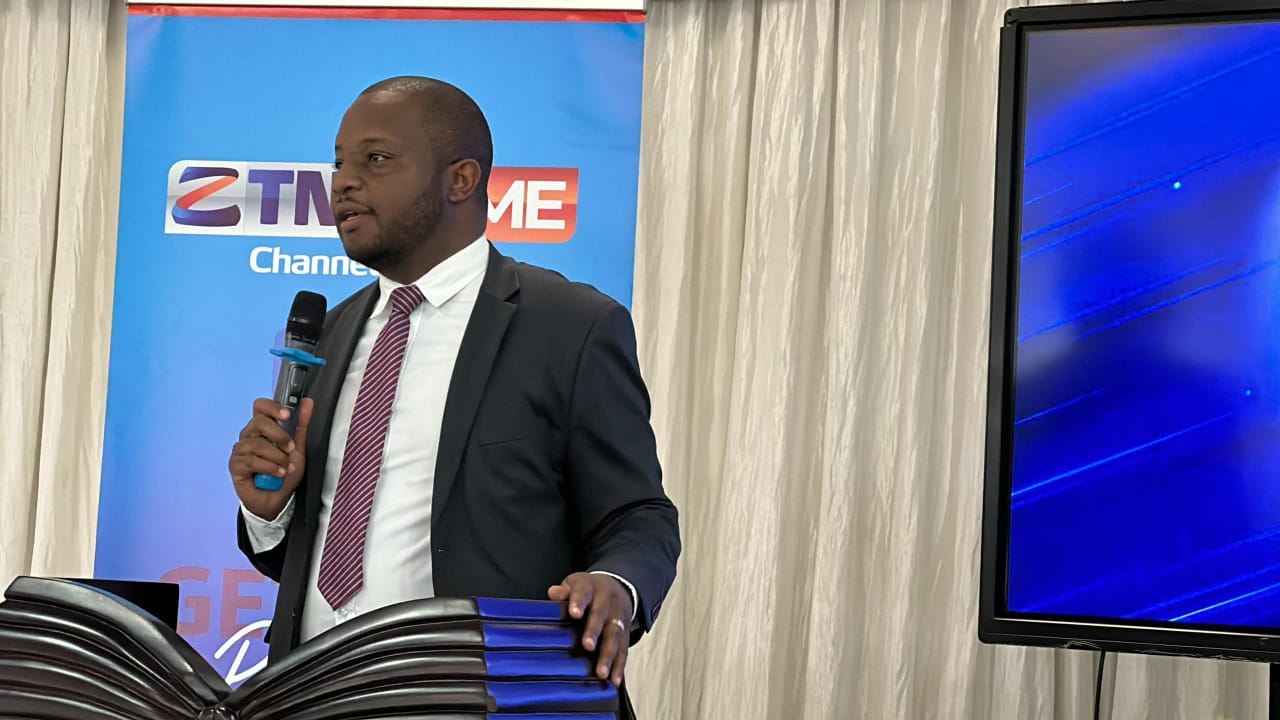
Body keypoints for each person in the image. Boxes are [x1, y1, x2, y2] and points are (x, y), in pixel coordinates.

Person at [227, 76, 680, 716]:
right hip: (313, 694)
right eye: (339, 163)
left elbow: (638, 513)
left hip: (489, 699)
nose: (344, 183)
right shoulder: (331, 331)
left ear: (461, 179)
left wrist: (616, 583)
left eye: (375, 159)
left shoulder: (571, 326)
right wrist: (268, 514)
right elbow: (315, 561)